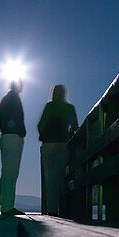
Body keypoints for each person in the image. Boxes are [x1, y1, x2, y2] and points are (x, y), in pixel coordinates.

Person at [37, 84, 79, 216]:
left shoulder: (49, 106)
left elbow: (40, 125)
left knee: (50, 178)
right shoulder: (69, 108)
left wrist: (44, 137)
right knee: (62, 176)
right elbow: (75, 127)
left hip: (48, 145)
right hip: (62, 144)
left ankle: (52, 210)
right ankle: (65, 208)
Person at [0, 79, 26, 215]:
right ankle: (8, 207)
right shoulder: (14, 98)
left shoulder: (5, 99)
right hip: (13, 137)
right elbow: (18, 119)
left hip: (5, 137)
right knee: (11, 173)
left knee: (6, 172)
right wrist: (21, 133)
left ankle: (5, 204)